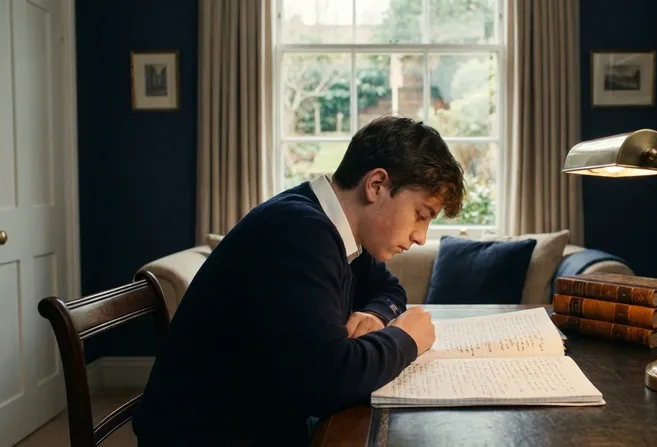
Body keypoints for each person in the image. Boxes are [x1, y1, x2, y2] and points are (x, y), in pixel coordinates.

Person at [132, 116, 466, 446]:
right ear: (376, 185)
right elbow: (327, 383)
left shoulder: (339, 231)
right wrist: (405, 338)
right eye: (420, 215)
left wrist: (376, 315)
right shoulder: (300, 232)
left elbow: (389, 289)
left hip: (261, 420)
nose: (421, 237)